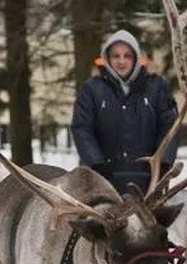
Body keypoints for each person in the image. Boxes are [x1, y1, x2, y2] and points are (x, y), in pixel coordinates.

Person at [70, 29, 179, 194]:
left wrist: (163, 163)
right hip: (102, 182)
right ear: (107, 58)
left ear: (136, 58)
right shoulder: (91, 89)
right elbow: (82, 128)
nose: (121, 61)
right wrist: (95, 164)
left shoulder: (157, 87)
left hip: (148, 181)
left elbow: (170, 127)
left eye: (127, 55)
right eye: (116, 56)